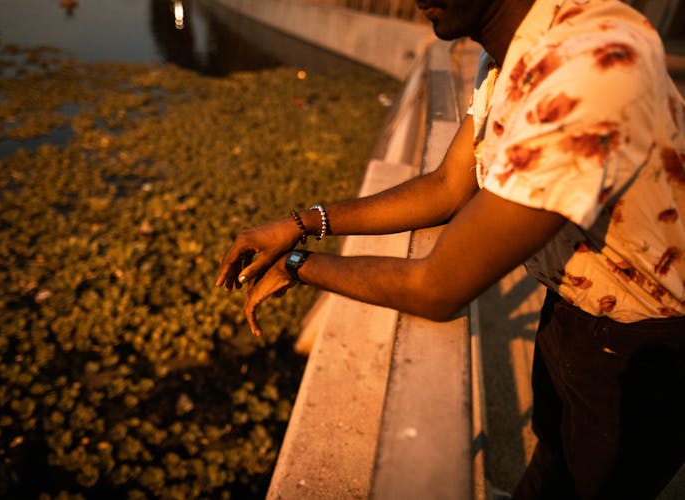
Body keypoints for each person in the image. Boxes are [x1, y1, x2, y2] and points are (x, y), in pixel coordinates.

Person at [216, 0, 685, 497]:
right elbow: (445, 187)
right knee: (550, 461)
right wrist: (302, 223)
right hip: (573, 306)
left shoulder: (591, 68)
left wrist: (298, 265)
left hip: (649, 344)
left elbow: (438, 287)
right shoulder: (508, 58)